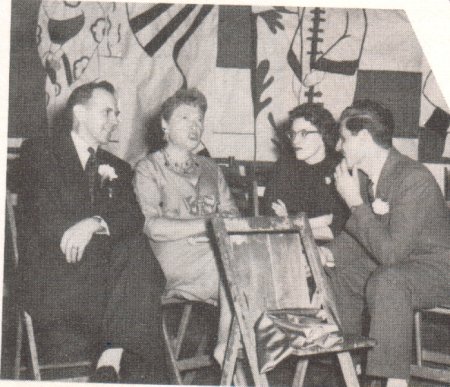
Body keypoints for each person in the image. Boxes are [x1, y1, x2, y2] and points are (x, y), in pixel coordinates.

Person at [18, 81, 167, 383]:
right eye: (107, 112)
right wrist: (89, 229)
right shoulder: (41, 151)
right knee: (141, 276)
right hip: (54, 275)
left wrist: (95, 222)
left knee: (137, 252)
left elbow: (133, 218)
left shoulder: (119, 168)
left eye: (118, 113)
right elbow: (42, 214)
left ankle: (109, 362)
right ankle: (125, 365)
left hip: (103, 281)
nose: (116, 120)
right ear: (79, 113)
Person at [325, 99, 450, 386]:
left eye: (344, 139)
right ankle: (352, 365)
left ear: (365, 138)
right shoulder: (369, 178)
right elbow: (359, 239)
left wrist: (356, 204)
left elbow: (391, 253)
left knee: (387, 280)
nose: (338, 147)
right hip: (407, 267)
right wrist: (324, 254)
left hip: (440, 270)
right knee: (342, 274)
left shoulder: (412, 178)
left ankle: (394, 381)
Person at [133, 87, 239, 366]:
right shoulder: (148, 168)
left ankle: (230, 345)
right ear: (165, 125)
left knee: (243, 263)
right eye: (185, 118)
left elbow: (232, 217)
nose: (195, 126)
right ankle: (231, 343)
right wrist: (208, 225)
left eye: (199, 120)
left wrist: (213, 232)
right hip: (165, 261)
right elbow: (153, 227)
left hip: (212, 257)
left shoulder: (210, 168)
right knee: (237, 264)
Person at [262, 102, 349, 238]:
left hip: (333, 250)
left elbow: (338, 228)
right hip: (289, 243)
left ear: (322, 134)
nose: (295, 141)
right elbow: (273, 218)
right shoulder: (284, 166)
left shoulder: (339, 168)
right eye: (293, 134)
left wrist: (291, 220)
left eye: (304, 133)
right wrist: (320, 221)